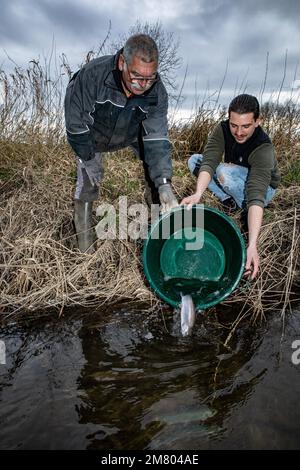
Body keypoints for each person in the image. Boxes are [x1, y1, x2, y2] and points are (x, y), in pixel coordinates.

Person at [65, 34, 178, 253]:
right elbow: (75, 124)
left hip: (131, 132)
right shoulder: (92, 76)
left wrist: (164, 183)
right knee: (88, 183)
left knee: (156, 182)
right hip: (93, 133)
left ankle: (158, 242)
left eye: (150, 77)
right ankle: (85, 250)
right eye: (136, 75)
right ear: (121, 63)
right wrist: (88, 158)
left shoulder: (156, 91)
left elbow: (157, 138)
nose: (143, 85)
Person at [181, 94, 281, 279]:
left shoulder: (263, 148)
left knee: (225, 174)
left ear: (258, 121)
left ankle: (242, 207)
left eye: (246, 126)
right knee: (195, 161)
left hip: (263, 188)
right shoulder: (223, 129)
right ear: (229, 119)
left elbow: (256, 194)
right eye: (234, 125)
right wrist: (197, 194)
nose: (239, 132)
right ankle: (229, 201)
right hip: (234, 174)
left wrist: (252, 245)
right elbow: (209, 160)